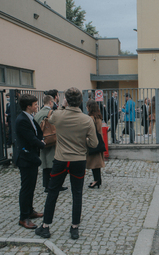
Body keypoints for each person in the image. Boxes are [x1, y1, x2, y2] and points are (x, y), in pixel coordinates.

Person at [35, 87, 98, 239]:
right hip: (78, 161)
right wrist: (84, 140)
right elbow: (94, 144)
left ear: (66, 100)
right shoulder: (87, 120)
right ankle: (74, 228)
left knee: (52, 192)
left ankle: (46, 226)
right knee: (77, 194)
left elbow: (49, 119)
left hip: (61, 160)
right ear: (81, 101)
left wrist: (63, 106)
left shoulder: (58, 115)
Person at [14, 94, 45, 229]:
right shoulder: (22, 120)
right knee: (26, 188)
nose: (37, 106)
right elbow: (30, 138)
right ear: (28, 106)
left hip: (31, 158)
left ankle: (30, 211)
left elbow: (36, 132)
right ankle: (23, 217)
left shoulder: (29, 117)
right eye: (35, 104)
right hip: (26, 159)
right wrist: (42, 144)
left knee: (31, 186)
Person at [34, 95, 68, 193]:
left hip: (42, 141)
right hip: (52, 140)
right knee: (53, 163)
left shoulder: (37, 114)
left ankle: (46, 185)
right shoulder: (52, 113)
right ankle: (55, 184)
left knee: (45, 164)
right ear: (50, 102)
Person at [86, 100, 105, 188]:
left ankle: (96, 180)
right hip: (99, 141)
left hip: (93, 142)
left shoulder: (91, 118)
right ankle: (98, 180)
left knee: (94, 163)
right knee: (96, 164)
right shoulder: (98, 117)